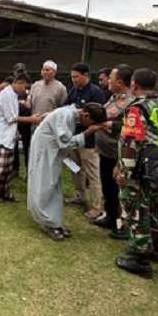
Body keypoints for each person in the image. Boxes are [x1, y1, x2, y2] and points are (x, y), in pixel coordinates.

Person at [114, 68, 158, 277]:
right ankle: (154, 248)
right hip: (157, 167)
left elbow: (131, 143)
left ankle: (141, 259)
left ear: (134, 85)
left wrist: (124, 172)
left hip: (140, 168)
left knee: (137, 210)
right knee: (153, 208)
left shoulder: (137, 109)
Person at [28, 104, 107, 240]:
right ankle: (47, 223)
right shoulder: (64, 115)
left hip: (53, 152)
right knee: (44, 186)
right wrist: (88, 132)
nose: (89, 126)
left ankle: (54, 222)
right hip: (45, 152)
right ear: (86, 115)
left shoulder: (70, 115)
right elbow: (65, 141)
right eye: (91, 123)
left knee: (54, 186)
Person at [0, 74, 45, 201]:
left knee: (8, 169)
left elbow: (12, 118)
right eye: (25, 87)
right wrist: (32, 119)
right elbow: (11, 117)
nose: (26, 90)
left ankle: (5, 192)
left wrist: (16, 130)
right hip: (0, 137)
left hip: (8, 136)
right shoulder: (6, 95)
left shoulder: (13, 95)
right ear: (18, 83)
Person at [93, 65, 134, 236]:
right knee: (108, 188)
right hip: (105, 150)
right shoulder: (113, 98)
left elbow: (132, 128)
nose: (108, 80)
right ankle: (110, 217)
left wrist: (114, 126)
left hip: (119, 153)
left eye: (111, 77)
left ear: (119, 81)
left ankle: (122, 225)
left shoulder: (132, 102)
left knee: (120, 190)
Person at [64, 62, 107, 219]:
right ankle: (80, 196)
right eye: (72, 77)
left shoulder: (96, 93)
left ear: (85, 75)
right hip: (73, 137)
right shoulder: (74, 91)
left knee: (92, 173)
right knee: (75, 168)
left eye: (76, 77)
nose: (74, 80)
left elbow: (100, 117)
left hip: (89, 140)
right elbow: (65, 108)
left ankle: (96, 206)